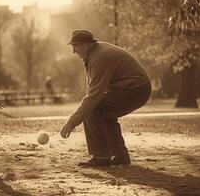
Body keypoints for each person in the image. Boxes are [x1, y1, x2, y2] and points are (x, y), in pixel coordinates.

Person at [60, 29, 151, 167]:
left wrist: (71, 122)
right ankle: (120, 156)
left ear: (86, 45)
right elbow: (91, 90)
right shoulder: (92, 55)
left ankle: (101, 157)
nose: (73, 50)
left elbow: (94, 97)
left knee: (93, 109)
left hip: (136, 89)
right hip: (132, 88)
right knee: (104, 114)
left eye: (75, 46)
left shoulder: (100, 57)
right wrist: (82, 111)